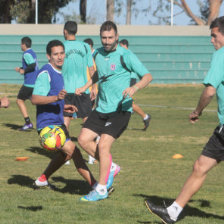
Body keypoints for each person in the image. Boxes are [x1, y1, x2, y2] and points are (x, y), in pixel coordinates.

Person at [145, 16, 224, 224]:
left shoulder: (221, 55)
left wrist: (197, 110)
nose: (211, 40)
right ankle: (173, 212)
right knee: (200, 166)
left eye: (214, 35)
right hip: (222, 129)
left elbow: (209, 91)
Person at [76, 21, 153, 201]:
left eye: (110, 37)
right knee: (83, 139)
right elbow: (99, 74)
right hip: (101, 108)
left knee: (103, 145)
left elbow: (148, 76)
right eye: (104, 37)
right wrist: (87, 86)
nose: (107, 41)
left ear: (117, 37)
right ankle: (110, 167)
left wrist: (135, 89)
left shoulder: (125, 55)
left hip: (120, 109)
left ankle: (101, 189)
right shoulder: (98, 54)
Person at [32, 40, 96, 189]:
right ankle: (96, 186)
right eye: (56, 54)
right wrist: (57, 98)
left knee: (65, 154)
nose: (60, 57)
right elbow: (35, 99)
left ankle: (42, 179)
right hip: (47, 126)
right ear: (49, 56)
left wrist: (64, 107)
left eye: (62, 53)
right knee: (75, 153)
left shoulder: (60, 73)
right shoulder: (45, 73)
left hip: (57, 122)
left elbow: (55, 99)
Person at [62, 21, 96, 130]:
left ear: (65, 31)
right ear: (76, 31)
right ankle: (92, 142)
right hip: (83, 89)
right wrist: (94, 87)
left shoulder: (61, 47)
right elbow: (92, 70)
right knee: (87, 119)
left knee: (65, 119)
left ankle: (64, 143)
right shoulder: (85, 46)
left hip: (66, 89)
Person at [119, 39, 151, 131]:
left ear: (123, 45)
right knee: (124, 100)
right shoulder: (126, 53)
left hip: (130, 79)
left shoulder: (127, 54)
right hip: (129, 78)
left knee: (127, 100)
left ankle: (145, 116)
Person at [15, 36, 39, 131]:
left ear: (24, 45)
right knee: (35, 102)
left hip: (29, 83)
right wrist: (21, 68)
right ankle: (45, 122)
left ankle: (28, 123)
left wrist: (24, 71)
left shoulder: (26, 53)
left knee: (19, 100)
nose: (20, 46)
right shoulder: (32, 52)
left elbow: (32, 66)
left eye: (21, 44)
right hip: (35, 82)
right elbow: (31, 64)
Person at [84, 38, 98, 165]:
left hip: (91, 93)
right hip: (81, 93)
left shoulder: (94, 59)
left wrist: (94, 88)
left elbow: (95, 76)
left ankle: (91, 156)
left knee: (87, 121)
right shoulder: (83, 58)